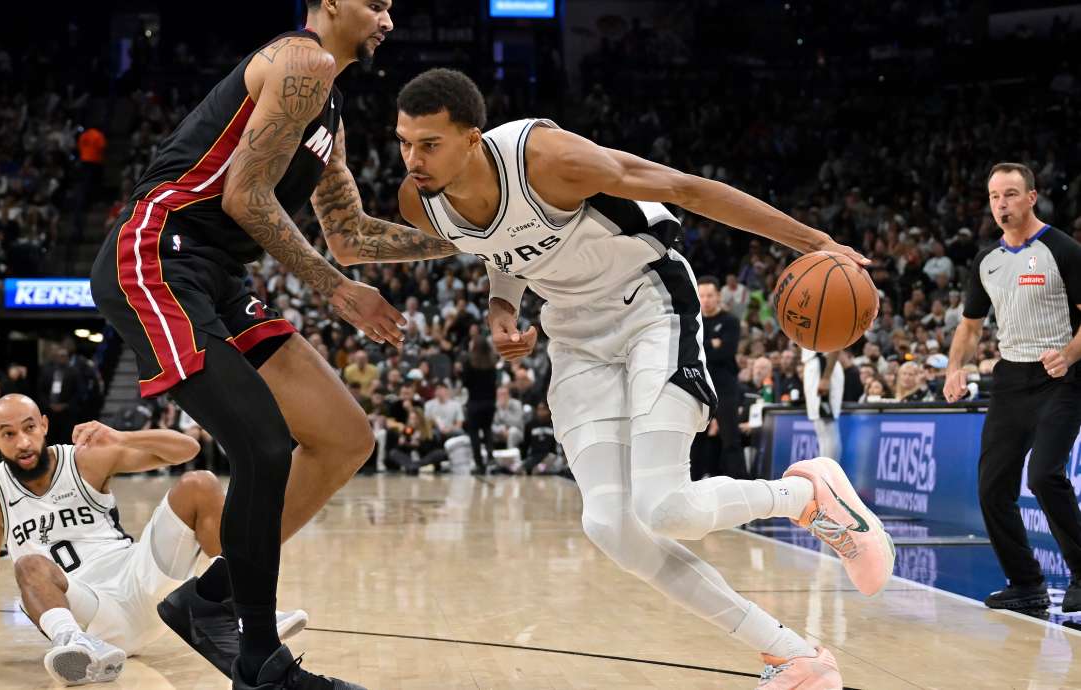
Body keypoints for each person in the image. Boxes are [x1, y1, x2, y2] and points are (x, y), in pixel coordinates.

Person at [328, 67, 895, 687]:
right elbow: (498, 247)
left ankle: (806, 497)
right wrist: (501, 305)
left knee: (666, 508)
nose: (412, 160)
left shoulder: (548, 159)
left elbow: (685, 188)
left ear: (472, 138)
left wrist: (813, 242)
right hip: (574, 337)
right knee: (611, 525)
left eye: (429, 144)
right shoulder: (421, 200)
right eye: (404, 143)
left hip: (649, 305)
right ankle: (792, 656)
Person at [87, 2, 456, 687]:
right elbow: (244, 196)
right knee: (262, 445)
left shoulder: (330, 105)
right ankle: (260, 662)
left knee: (344, 437)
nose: (388, 21)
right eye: (377, 4)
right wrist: (336, 290)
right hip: (159, 252)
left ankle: (209, 598)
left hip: (219, 274)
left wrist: (468, 240)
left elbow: (349, 235)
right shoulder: (299, 61)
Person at [0, 395, 306, 685]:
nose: (23, 442)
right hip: (86, 610)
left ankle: (243, 610)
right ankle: (76, 646)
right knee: (28, 565)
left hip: (141, 583)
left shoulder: (83, 458)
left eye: (29, 428)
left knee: (200, 484)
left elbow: (187, 449)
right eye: (8, 433)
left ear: (44, 425)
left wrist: (121, 437)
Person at [944, 162, 1081, 614]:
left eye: (1010, 194)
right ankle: (1026, 584)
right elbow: (969, 327)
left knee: (1043, 475)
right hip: (1010, 380)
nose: (1001, 204)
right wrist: (955, 368)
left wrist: (1070, 354)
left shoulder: (1063, 249)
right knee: (992, 487)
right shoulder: (987, 261)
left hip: (1061, 378)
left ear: (1031, 197)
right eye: (994, 196)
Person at [693, 276, 746, 479]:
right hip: (699, 386)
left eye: (709, 295)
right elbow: (689, 352)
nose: (705, 300)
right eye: (702, 296)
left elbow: (726, 352)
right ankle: (692, 484)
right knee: (695, 438)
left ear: (718, 296)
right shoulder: (692, 321)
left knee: (730, 438)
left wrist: (703, 347)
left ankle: (740, 483)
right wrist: (711, 344)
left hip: (725, 386)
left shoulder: (730, 321)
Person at [460, 334, 498, 474]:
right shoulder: (492, 362)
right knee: (487, 430)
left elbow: (465, 383)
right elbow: (494, 383)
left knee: (474, 433)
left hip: (474, 403)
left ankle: (479, 464)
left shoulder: (469, 362)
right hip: (490, 403)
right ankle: (490, 456)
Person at [801, 348, 843, 460]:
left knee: (828, 427)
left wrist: (826, 377)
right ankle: (824, 467)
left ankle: (830, 469)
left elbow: (836, 346)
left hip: (824, 367)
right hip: (814, 366)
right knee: (820, 428)